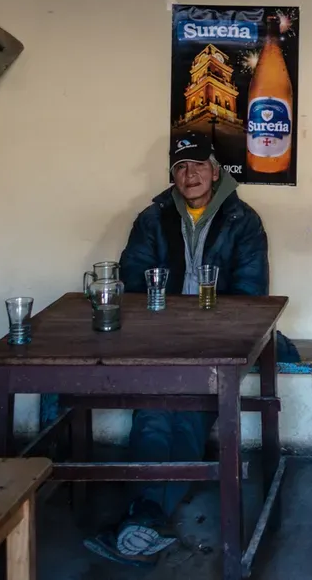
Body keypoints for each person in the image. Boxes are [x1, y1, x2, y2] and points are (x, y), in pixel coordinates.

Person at [87, 133, 277, 566]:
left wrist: (204, 328)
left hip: (218, 343)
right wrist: (170, 325)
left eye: (198, 165)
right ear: (172, 175)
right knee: (153, 413)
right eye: (180, 167)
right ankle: (147, 516)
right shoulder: (152, 218)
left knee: (189, 414)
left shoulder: (243, 221)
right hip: (161, 340)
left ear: (215, 171)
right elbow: (134, 282)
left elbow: (251, 295)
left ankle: (143, 515)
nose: (189, 175)